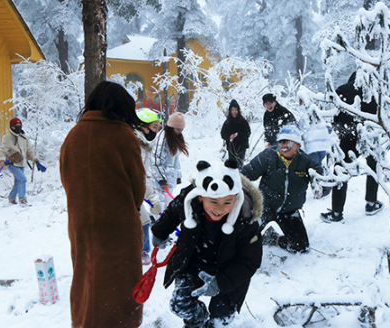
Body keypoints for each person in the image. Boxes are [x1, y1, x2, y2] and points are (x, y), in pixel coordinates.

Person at [59, 81, 146, 328]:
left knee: (86, 276)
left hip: (81, 225)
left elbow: (67, 179)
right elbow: (137, 187)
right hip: (118, 227)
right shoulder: (123, 136)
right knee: (118, 284)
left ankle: (84, 321)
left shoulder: (72, 136)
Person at [151, 160, 262, 328]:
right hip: (194, 263)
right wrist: (160, 232)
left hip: (229, 271)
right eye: (213, 201)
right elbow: (173, 211)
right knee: (180, 304)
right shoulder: (189, 201)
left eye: (227, 202)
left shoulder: (246, 219)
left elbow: (250, 261)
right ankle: (197, 321)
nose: (219, 208)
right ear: (201, 196)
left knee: (220, 317)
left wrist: (221, 281)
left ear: (236, 198)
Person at [241, 125, 323, 254]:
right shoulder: (269, 156)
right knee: (245, 239)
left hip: (289, 211)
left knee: (301, 246)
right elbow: (246, 173)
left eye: (289, 143)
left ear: (298, 145)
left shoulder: (306, 162)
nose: (284, 146)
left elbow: (321, 178)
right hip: (265, 206)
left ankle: (273, 237)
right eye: (281, 142)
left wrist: (322, 187)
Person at [320, 72, 384, 223]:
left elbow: (335, 113)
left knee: (341, 169)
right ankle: (371, 203)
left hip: (348, 135)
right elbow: (379, 115)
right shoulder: (373, 91)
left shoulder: (342, 89)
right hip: (369, 134)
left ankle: (336, 213)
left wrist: (339, 130)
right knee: (373, 168)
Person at [135, 108, 163, 265]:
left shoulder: (142, 145)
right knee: (142, 220)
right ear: (143, 126)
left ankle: (143, 252)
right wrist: (152, 198)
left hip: (134, 191)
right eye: (154, 127)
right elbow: (140, 176)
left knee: (144, 220)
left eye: (158, 127)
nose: (156, 131)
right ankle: (141, 253)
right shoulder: (136, 146)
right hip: (126, 193)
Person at [0, 117, 45, 206]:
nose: (19, 127)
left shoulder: (23, 137)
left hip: (21, 163)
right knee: (22, 179)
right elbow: (2, 150)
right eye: (16, 126)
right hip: (12, 163)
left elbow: (28, 150)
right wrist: (1, 160)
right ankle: (22, 200)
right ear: (12, 127)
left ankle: (11, 199)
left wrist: (35, 160)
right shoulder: (7, 138)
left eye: (20, 125)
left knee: (18, 181)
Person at [298, 107, 333, 198]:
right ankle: (324, 187)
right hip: (322, 146)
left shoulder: (304, 118)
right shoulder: (321, 116)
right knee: (320, 167)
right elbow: (329, 129)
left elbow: (300, 132)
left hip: (311, 147)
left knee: (315, 169)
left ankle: (320, 189)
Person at [153, 112, 189, 193]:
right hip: (160, 183)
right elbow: (156, 160)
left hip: (169, 180)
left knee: (167, 203)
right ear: (171, 127)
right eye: (178, 129)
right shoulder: (162, 139)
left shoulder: (173, 138)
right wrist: (162, 180)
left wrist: (178, 176)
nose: (180, 132)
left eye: (182, 129)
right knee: (162, 204)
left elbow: (175, 160)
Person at [220, 99, 251, 167]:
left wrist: (238, 135)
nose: (234, 112)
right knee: (231, 166)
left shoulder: (243, 121)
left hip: (241, 147)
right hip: (231, 148)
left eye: (236, 110)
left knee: (239, 166)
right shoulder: (227, 122)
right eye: (232, 110)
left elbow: (248, 133)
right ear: (230, 111)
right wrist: (229, 137)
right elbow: (223, 134)